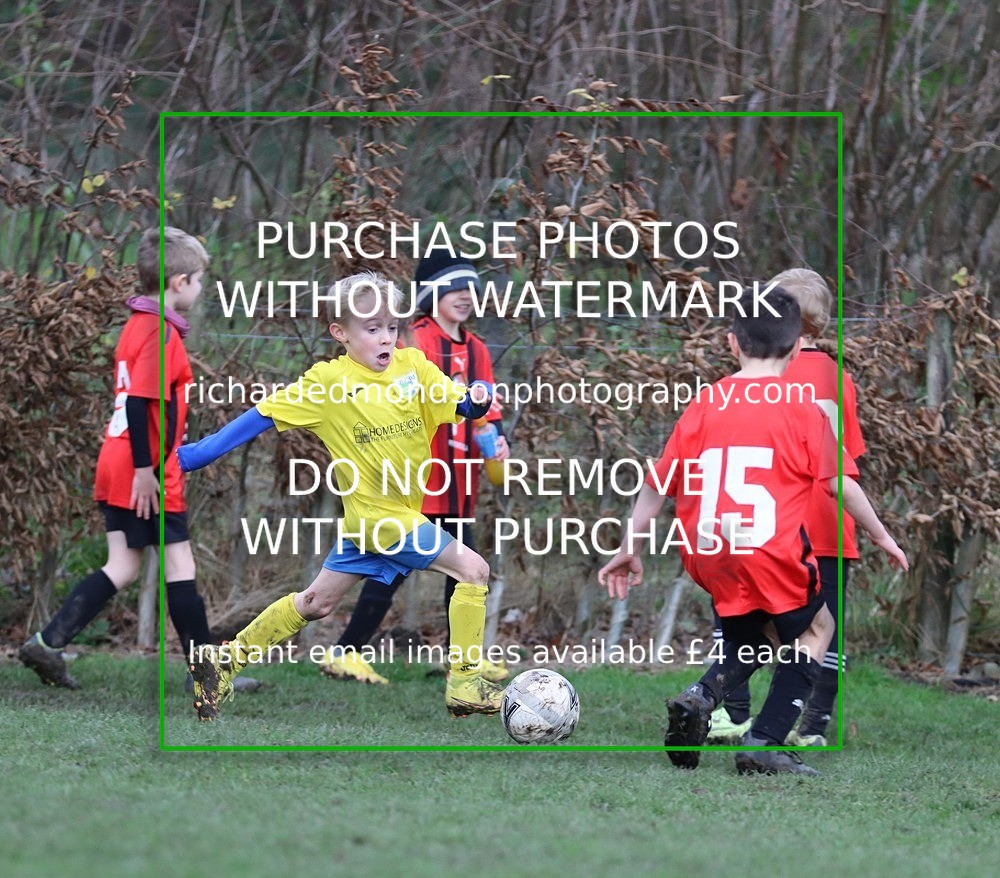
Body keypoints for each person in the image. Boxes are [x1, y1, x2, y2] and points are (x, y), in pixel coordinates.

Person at [598, 287, 907, 775]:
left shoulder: (705, 403)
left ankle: (700, 696)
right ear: (795, 346)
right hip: (769, 547)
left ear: (731, 343)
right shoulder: (801, 406)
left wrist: (628, 549)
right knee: (818, 627)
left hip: (709, 550)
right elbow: (839, 484)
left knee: (760, 632)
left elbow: (657, 485)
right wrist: (881, 535)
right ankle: (765, 740)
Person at [178, 270, 505, 721]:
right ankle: (465, 685)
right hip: (381, 521)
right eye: (372, 330)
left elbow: (459, 402)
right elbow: (259, 417)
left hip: (375, 522)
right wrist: (193, 456)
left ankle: (222, 662)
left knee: (316, 603)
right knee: (474, 570)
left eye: (392, 327)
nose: (386, 338)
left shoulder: (414, 368)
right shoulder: (327, 384)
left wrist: (479, 397)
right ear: (341, 334)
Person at [19, 226, 259, 694]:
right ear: (178, 282)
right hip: (142, 467)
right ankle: (207, 674)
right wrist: (148, 472)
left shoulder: (136, 324)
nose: (202, 287)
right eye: (199, 279)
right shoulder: (159, 332)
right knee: (181, 566)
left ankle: (49, 643)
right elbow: (139, 404)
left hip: (118, 460)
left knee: (123, 565)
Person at [318, 252, 510, 686]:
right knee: (394, 565)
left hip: (461, 480)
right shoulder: (413, 343)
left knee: (462, 567)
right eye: (453, 287)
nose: (465, 296)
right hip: (414, 481)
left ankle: (462, 660)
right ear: (431, 294)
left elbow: (487, 409)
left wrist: (498, 439)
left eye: (470, 287)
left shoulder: (477, 349)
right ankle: (346, 652)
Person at [707, 268, 864, 746]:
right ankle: (810, 724)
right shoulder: (839, 378)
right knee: (824, 629)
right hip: (829, 523)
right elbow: (847, 458)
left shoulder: (755, 374)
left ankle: (729, 713)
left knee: (742, 620)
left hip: (767, 525)